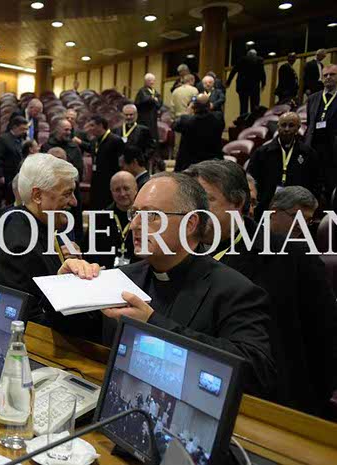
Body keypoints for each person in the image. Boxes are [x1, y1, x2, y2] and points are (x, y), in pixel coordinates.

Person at [185, 159, 337, 417]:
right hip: (199, 397)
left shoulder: (290, 255)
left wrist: (308, 407)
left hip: (274, 406)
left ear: (237, 203)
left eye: (206, 200)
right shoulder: (181, 255)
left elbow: (325, 336)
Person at [103, 173, 276, 397]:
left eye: (151, 215)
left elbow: (255, 370)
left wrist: (153, 325)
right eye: (134, 213)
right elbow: (78, 333)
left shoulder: (234, 290)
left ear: (190, 224)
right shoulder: (122, 278)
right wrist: (69, 282)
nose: (135, 224)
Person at [0, 154, 102, 341]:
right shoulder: (20, 244)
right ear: (37, 195)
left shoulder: (32, 222)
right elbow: (29, 322)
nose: (74, 202)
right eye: (67, 193)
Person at [247, 112, 321, 218]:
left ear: (298, 128)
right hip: (265, 208)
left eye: (291, 125)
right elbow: (251, 180)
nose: (286, 129)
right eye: (283, 125)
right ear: (278, 127)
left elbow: (316, 183)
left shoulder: (308, 154)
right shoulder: (262, 153)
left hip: (298, 209)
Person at [41, 118, 85, 244]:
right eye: (66, 130)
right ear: (58, 130)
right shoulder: (46, 146)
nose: (68, 133)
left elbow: (79, 171)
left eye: (70, 130)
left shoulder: (74, 148)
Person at [87, 171, 138, 269]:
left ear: (136, 189)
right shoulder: (100, 218)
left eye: (126, 188)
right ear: (111, 192)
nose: (122, 194)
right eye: (117, 190)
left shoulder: (145, 218)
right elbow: (89, 252)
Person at [305, 64, 337, 197]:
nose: (328, 77)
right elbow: (310, 124)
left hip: (333, 151)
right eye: (325, 75)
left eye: (332, 74)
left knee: (332, 189)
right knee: (313, 189)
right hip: (314, 149)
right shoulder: (312, 98)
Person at [173, 94, 224, 172]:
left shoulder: (185, 120)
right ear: (209, 105)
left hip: (189, 165)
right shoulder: (218, 118)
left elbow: (174, 126)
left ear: (193, 107)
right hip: (214, 164)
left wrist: (187, 112)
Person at [85, 115, 124, 209]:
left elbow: (122, 162)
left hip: (110, 180)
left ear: (100, 126)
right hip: (96, 179)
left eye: (92, 125)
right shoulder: (94, 141)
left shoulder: (115, 140)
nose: (90, 128)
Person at [0, 115, 28, 204]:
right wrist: (0, 175)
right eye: (22, 129)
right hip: (7, 176)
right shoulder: (3, 139)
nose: (24, 132)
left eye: (26, 129)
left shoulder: (21, 140)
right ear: (15, 127)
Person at [226, 49, 266, 115]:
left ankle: (243, 119)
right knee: (255, 107)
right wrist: (263, 84)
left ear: (248, 54)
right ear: (255, 55)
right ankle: (253, 120)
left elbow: (234, 71)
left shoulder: (242, 60)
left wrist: (228, 82)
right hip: (254, 87)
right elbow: (263, 74)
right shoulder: (259, 61)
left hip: (243, 87)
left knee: (243, 107)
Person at [134, 73, 163, 143]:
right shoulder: (142, 91)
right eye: (150, 80)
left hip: (153, 117)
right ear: (145, 81)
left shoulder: (155, 92)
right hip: (144, 117)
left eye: (153, 80)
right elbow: (145, 100)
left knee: (153, 134)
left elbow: (159, 102)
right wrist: (153, 99)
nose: (152, 82)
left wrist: (154, 99)